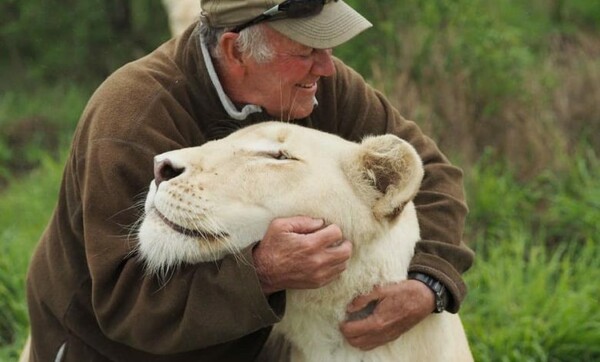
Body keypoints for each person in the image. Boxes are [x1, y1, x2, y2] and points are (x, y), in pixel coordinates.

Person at [25, 0, 474, 361]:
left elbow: (428, 174)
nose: (327, 68)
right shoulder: (132, 116)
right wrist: (262, 271)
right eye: (306, 50)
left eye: (327, 47)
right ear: (236, 50)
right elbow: (128, 306)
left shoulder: (318, 85)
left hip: (248, 338)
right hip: (110, 347)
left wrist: (428, 283)